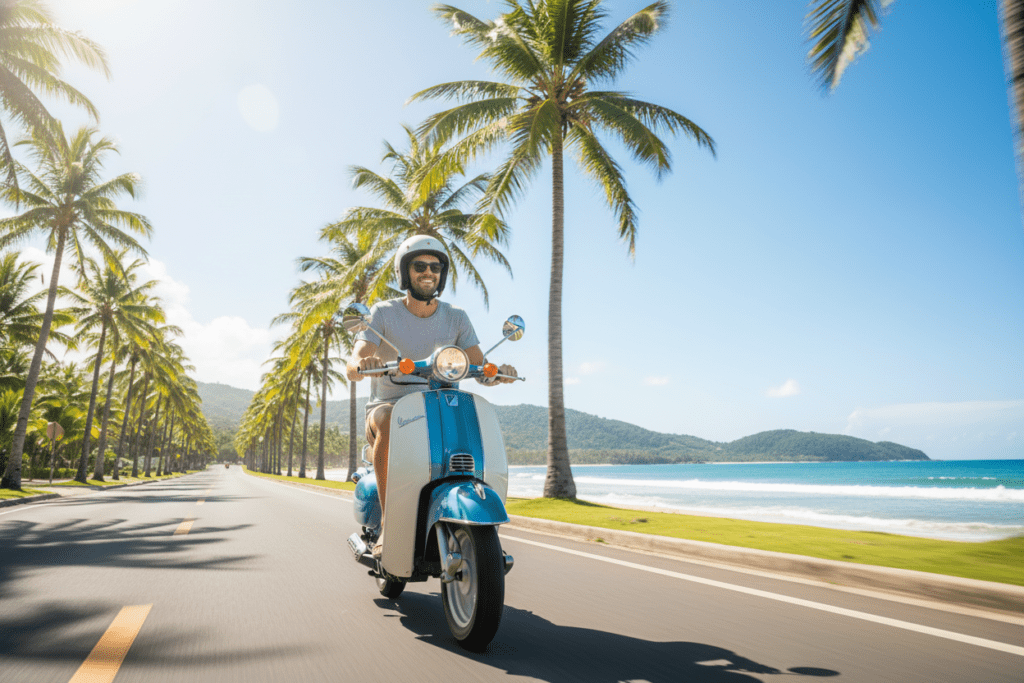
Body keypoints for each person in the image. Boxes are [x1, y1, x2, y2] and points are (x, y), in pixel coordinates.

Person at [346, 235, 517, 554]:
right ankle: (387, 523)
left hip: (442, 409)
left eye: (435, 267)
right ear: (404, 272)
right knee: (385, 418)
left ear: (442, 273)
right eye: (420, 265)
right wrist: (362, 362)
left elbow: (477, 365)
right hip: (391, 408)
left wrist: (496, 373)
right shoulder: (383, 313)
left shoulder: (457, 317)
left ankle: (478, 525)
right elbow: (355, 360)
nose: (429, 272)